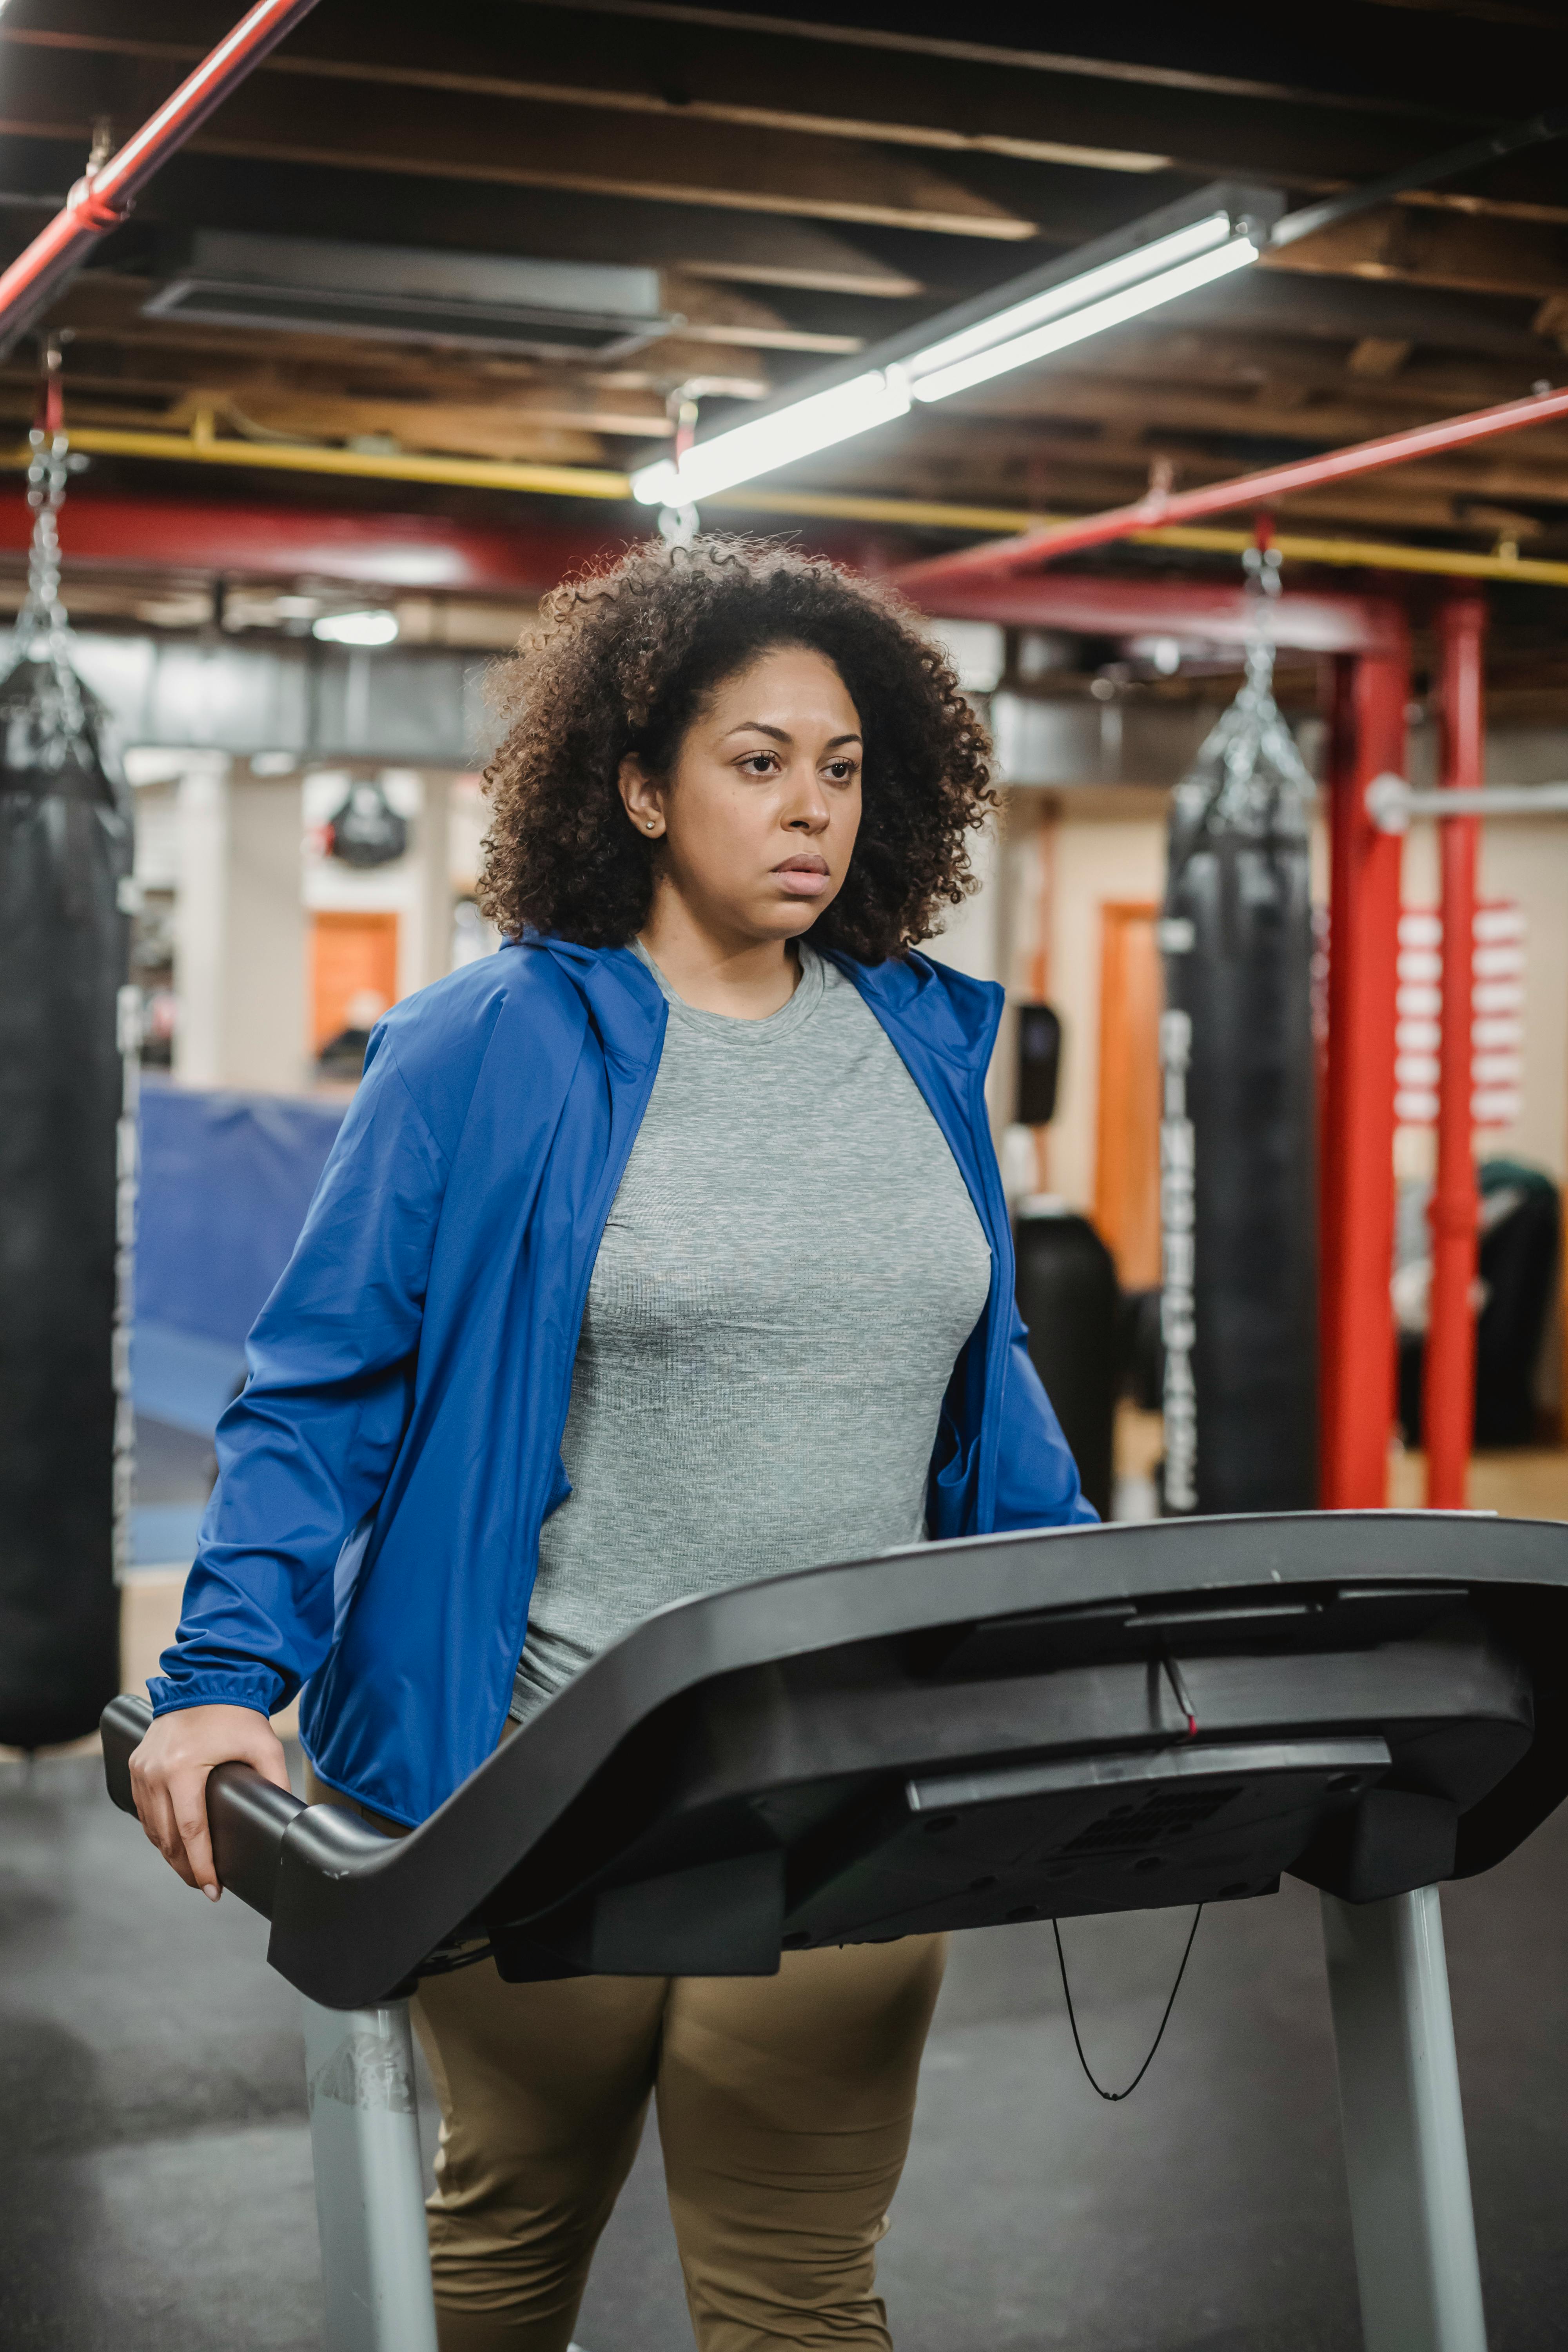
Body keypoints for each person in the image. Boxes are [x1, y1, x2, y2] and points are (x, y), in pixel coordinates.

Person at [130, 537, 1094, 2352]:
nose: (807, 809)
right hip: (539, 1777)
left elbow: (984, 1385)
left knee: (803, 2291)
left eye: (841, 767)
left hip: (851, 1784)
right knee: (502, 2249)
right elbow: (323, 1384)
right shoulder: (488, 1047)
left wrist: (1101, 1647)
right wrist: (220, 1671)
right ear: (641, 785)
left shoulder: (920, 1047)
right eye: (754, 762)